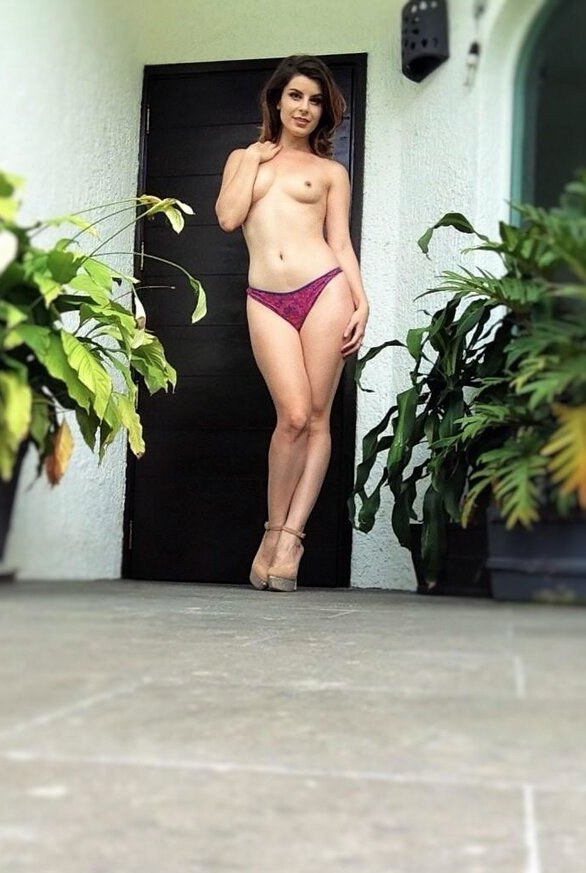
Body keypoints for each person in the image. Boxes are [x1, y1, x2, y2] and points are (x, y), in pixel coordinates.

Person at [214, 55, 369, 592]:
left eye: (316, 100)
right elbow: (228, 217)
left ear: (324, 111)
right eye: (296, 96)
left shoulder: (330, 172)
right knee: (293, 416)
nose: (304, 108)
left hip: (325, 289)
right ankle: (271, 530)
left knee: (318, 419)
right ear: (277, 100)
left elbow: (340, 242)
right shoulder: (244, 157)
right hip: (266, 298)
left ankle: (291, 540)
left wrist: (362, 302)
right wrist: (254, 160)